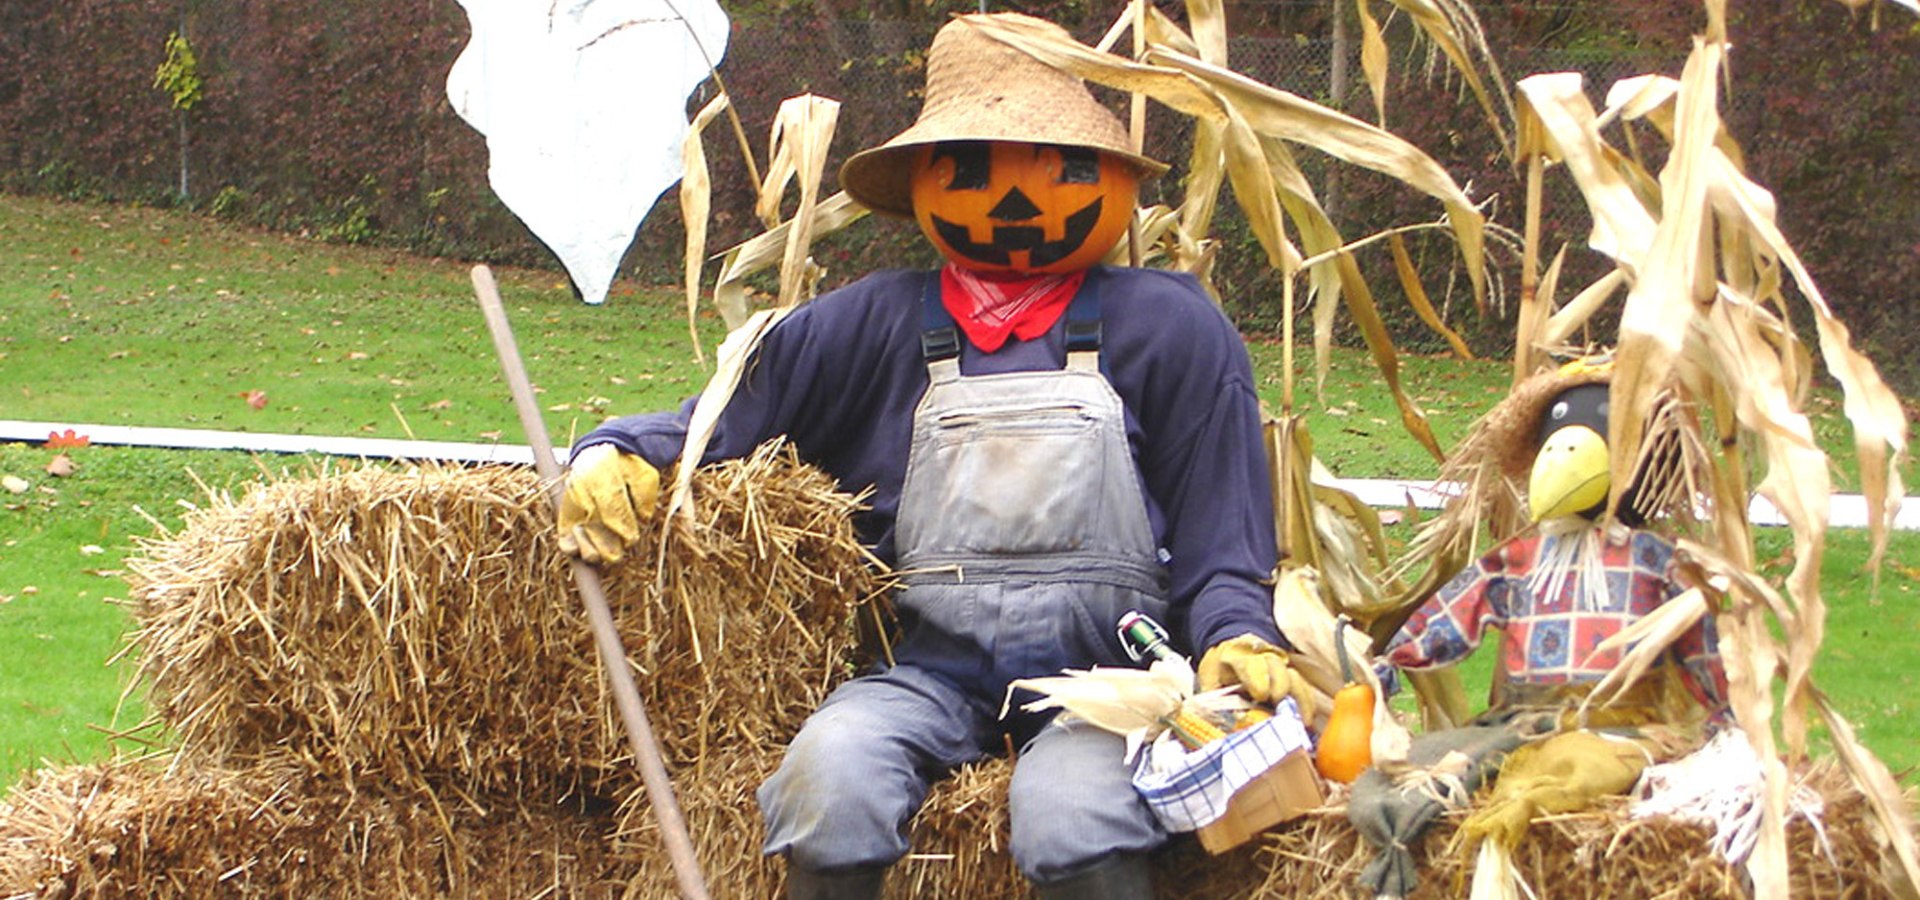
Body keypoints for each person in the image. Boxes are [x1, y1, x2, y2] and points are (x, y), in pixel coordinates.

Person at [557, 14, 1301, 899]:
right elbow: (719, 417)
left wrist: (1235, 636)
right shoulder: (870, 322)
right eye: (973, 172)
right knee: (827, 782)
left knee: (1073, 814)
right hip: (926, 671)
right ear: (918, 184)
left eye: (1062, 170)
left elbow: (1226, 530)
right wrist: (618, 452)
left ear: (1113, 180)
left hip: (1114, 682)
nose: (1016, 203)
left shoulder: (1170, 326)